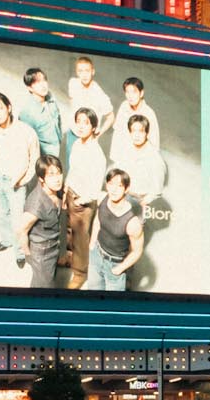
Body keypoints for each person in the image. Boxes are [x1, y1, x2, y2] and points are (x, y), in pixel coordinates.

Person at [0, 91, 40, 253]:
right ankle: (7, 240)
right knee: (2, 214)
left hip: (16, 181)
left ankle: (20, 251)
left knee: (18, 219)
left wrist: (23, 180)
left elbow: (35, 159)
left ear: (9, 107)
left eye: (0, 108)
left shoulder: (26, 131)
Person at [63, 107, 109, 288]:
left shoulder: (97, 154)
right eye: (78, 122)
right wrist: (66, 188)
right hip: (71, 194)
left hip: (84, 201)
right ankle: (69, 258)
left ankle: (80, 274)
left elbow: (96, 186)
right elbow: (72, 170)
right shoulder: (76, 144)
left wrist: (81, 200)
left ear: (94, 127)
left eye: (86, 123)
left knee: (81, 239)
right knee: (69, 232)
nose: (81, 126)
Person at [85, 169, 146, 291]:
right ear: (106, 185)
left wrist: (120, 268)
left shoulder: (132, 222)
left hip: (115, 264)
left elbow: (137, 251)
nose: (113, 189)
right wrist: (92, 244)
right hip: (96, 255)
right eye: (111, 184)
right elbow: (98, 219)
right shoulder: (102, 198)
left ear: (126, 189)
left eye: (119, 186)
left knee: (112, 305)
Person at [13, 155, 68, 288]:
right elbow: (20, 230)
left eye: (59, 173)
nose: (57, 179)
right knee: (44, 288)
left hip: (54, 245)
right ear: (41, 179)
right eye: (51, 175)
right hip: (42, 253)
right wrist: (28, 254)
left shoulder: (57, 189)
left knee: (45, 281)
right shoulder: (36, 203)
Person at [109, 113, 167, 201]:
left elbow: (156, 191)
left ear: (147, 133)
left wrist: (143, 203)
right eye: (133, 131)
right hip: (123, 196)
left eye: (141, 131)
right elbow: (116, 174)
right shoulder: (125, 151)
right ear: (130, 133)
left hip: (142, 200)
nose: (137, 135)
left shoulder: (154, 158)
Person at [16, 67, 64, 159]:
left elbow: (58, 123)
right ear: (29, 88)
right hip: (45, 159)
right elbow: (26, 142)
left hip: (60, 152)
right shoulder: (27, 113)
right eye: (37, 82)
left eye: (44, 80)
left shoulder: (51, 99)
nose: (43, 85)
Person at [67, 56, 113, 139]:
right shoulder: (73, 83)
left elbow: (111, 117)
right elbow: (72, 101)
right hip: (73, 133)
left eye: (87, 71)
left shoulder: (100, 94)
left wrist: (99, 133)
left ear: (93, 71)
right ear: (77, 72)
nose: (84, 75)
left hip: (89, 137)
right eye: (81, 71)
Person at [113, 75, 164, 149]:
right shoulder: (124, 106)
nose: (130, 96)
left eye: (134, 92)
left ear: (141, 93)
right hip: (124, 153)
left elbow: (154, 142)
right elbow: (117, 132)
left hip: (141, 155)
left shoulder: (149, 113)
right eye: (127, 92)